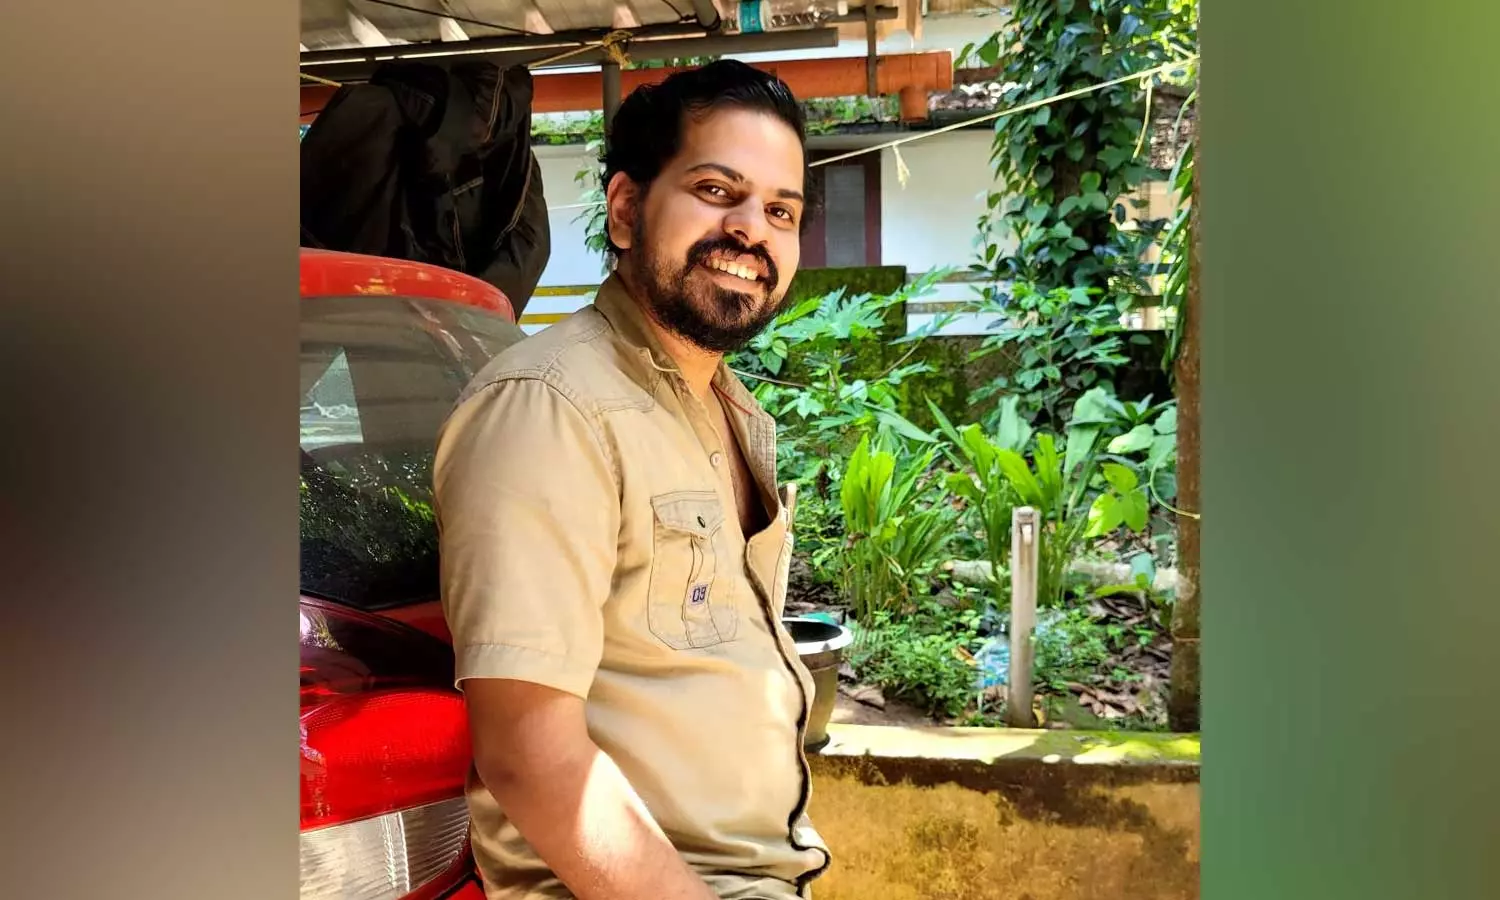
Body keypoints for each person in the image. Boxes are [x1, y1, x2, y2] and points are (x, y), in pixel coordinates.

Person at [434, 60, 830, 900]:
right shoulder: (551, 406)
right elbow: (529, 753)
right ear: (624, 209)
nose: (751, 231)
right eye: (717, 190)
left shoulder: (723, 406)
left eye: (781, 211)